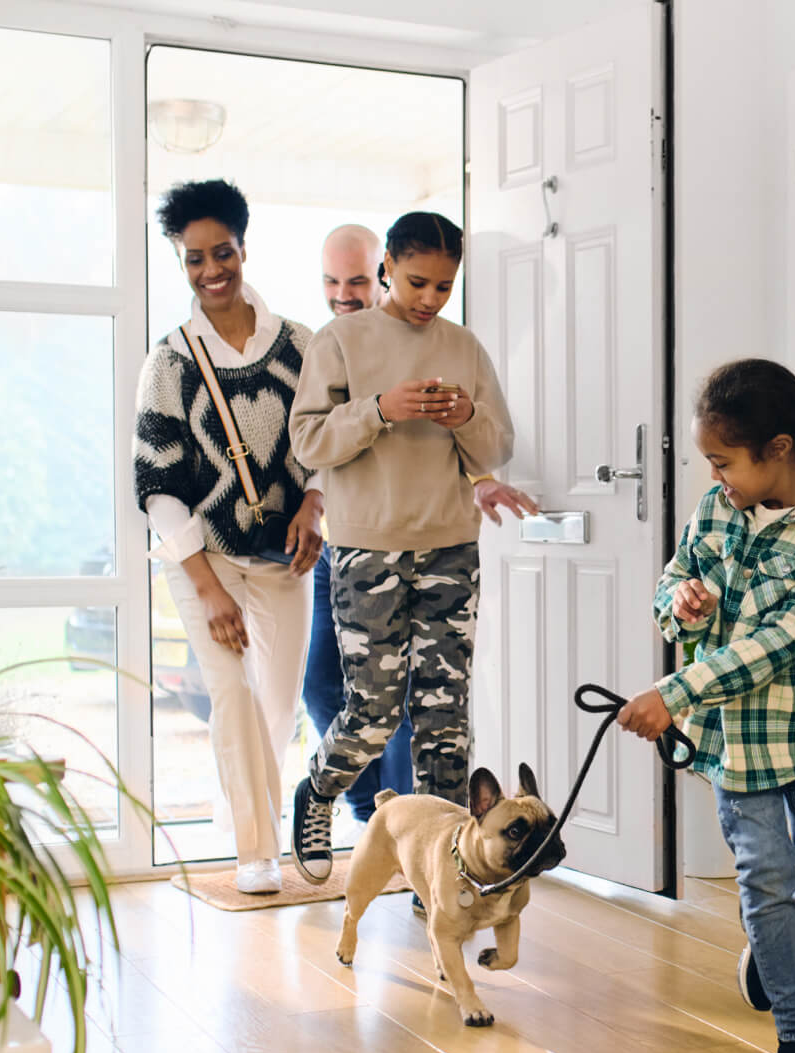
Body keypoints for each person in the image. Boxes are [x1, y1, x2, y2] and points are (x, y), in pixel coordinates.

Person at [617, 358, 795, 1053]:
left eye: (723, 461)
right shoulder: (719, 507)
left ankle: (772, 949)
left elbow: (777, 646)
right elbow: (672, 583)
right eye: (710, 463)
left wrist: (672, 691)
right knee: (764, 879)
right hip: (738, 735)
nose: (716, 477)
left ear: (779, 448)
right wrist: (685, 607)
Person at [288, 210, 514, 887]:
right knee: (374, 712)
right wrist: (381, 408)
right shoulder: (341, 340)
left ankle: (441, 874)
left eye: (444, 287)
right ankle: (319, 793)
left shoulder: (464, 346)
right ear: (386, 264)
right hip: (367, 552)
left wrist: (466, 417)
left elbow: (498, 446)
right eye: (417, 282)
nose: (429, 299)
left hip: (451, 548)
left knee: (445, 719)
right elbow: (308, 443)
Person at [133, 179, 324, 895]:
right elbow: (156, 484)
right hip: (201, 556)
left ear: (245, 248)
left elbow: (324, 444)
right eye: (194, 260)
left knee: (278, 703)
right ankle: (256, 849)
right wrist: (206, 588)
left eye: (223, 253)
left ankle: (241, 804)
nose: (211, 271)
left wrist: (314, 502)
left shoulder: (301, 344)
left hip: (285, 555)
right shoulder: (171, 361)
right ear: (180, 263)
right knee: (234, 696)